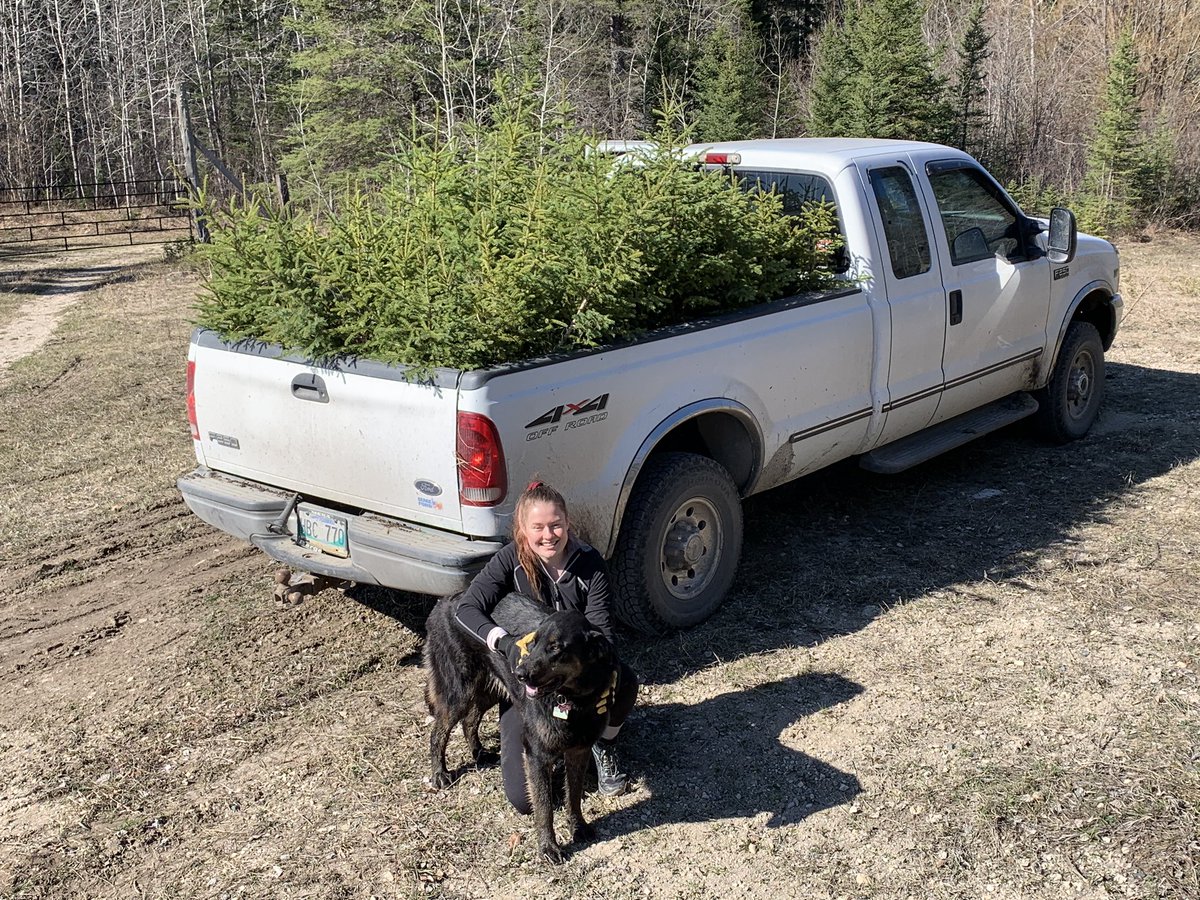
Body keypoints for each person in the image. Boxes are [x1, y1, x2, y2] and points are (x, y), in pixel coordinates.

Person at [453, 480, 639, 813]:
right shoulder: (510, 559)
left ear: (568, 522)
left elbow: (603, 634)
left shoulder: (589, 563)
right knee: (524, 800)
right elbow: (465, 609)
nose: (548, 535)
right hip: (528, 682)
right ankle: (551, 745)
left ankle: (603, 745)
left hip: (571, 675)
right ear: (523, 530)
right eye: (537, 527)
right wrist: (504, 642)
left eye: (555, 525)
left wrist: (599, 685)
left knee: (623, 679)